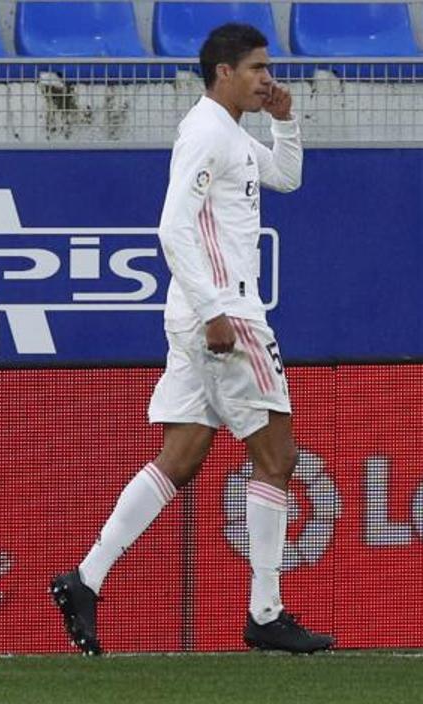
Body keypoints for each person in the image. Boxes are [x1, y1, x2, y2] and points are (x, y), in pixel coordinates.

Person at [51, 24, 335, 655]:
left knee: (179, 456)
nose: (268, 78)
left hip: (200, 314)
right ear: (222, 72)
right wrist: (213, 310)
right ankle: (266, 612)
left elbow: (285, 176)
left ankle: (85, 578)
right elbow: (172, 226)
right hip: (225, 315)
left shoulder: (228, 132)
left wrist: (286, 123)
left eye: (269, 67)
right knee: (278, 457)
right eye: (257, 68)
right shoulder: (208, 133)